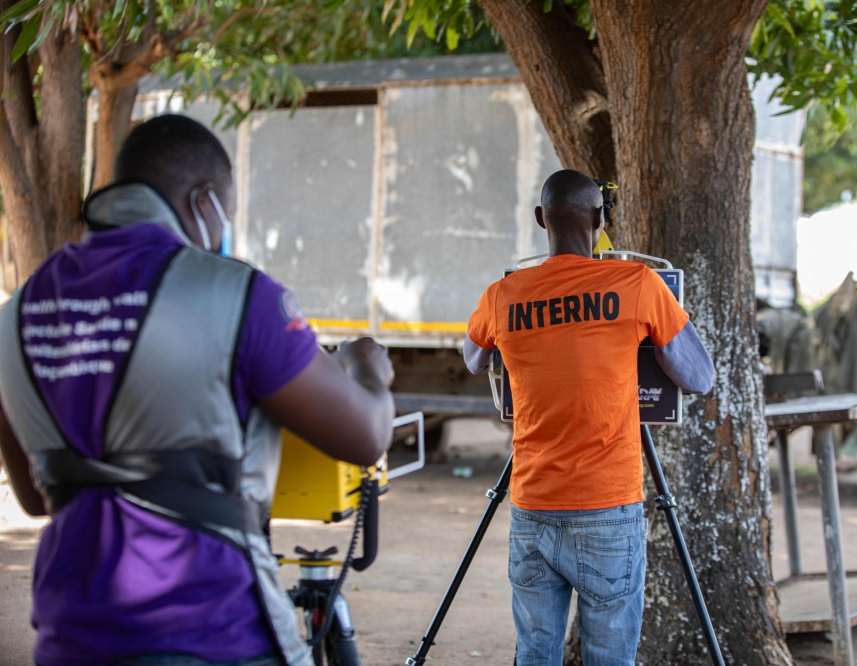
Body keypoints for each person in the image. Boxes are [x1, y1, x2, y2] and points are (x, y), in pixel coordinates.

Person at [0, 114, 395, 666]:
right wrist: (366, 366)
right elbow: (364, 436)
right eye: (224, 213)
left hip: (72, 637)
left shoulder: (16, 314)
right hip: (221, 631)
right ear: (206, 201)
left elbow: (35, 494)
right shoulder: (236, 294)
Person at [463, 170, 714, 665]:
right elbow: (699, 377)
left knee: (535, 652)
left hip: (532, 506)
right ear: (600, 220)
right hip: (608, 507)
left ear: (541, 220)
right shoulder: (636, 284)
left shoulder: (503, 294)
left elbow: (473, 358)